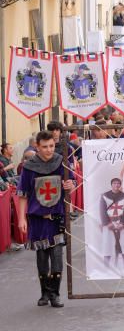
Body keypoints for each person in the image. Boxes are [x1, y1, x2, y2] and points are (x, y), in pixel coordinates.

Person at [17, 131, 75, 307]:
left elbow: (70, 186)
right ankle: (44, 293)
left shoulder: (61, 162)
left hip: (57, 217)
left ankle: (55, 294)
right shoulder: (29, 167)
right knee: (42, 257)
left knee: (56, 255)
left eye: (51, 146)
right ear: (37, 146)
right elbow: (22, 195)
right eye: (45, 147)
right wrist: (21, 219)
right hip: (37, 218)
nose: (49, 150)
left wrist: (70, 185)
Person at [100, 178, 124, 267]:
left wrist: (123, 223)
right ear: (111, 184)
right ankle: (106, 267)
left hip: (121, 223)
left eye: (118, 183)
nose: (116, 185)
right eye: (114, 183)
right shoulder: (104, 196)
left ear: (120, 185)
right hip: (109, 223)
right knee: (108, 245)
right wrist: (107, 223)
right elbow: (102, 210)